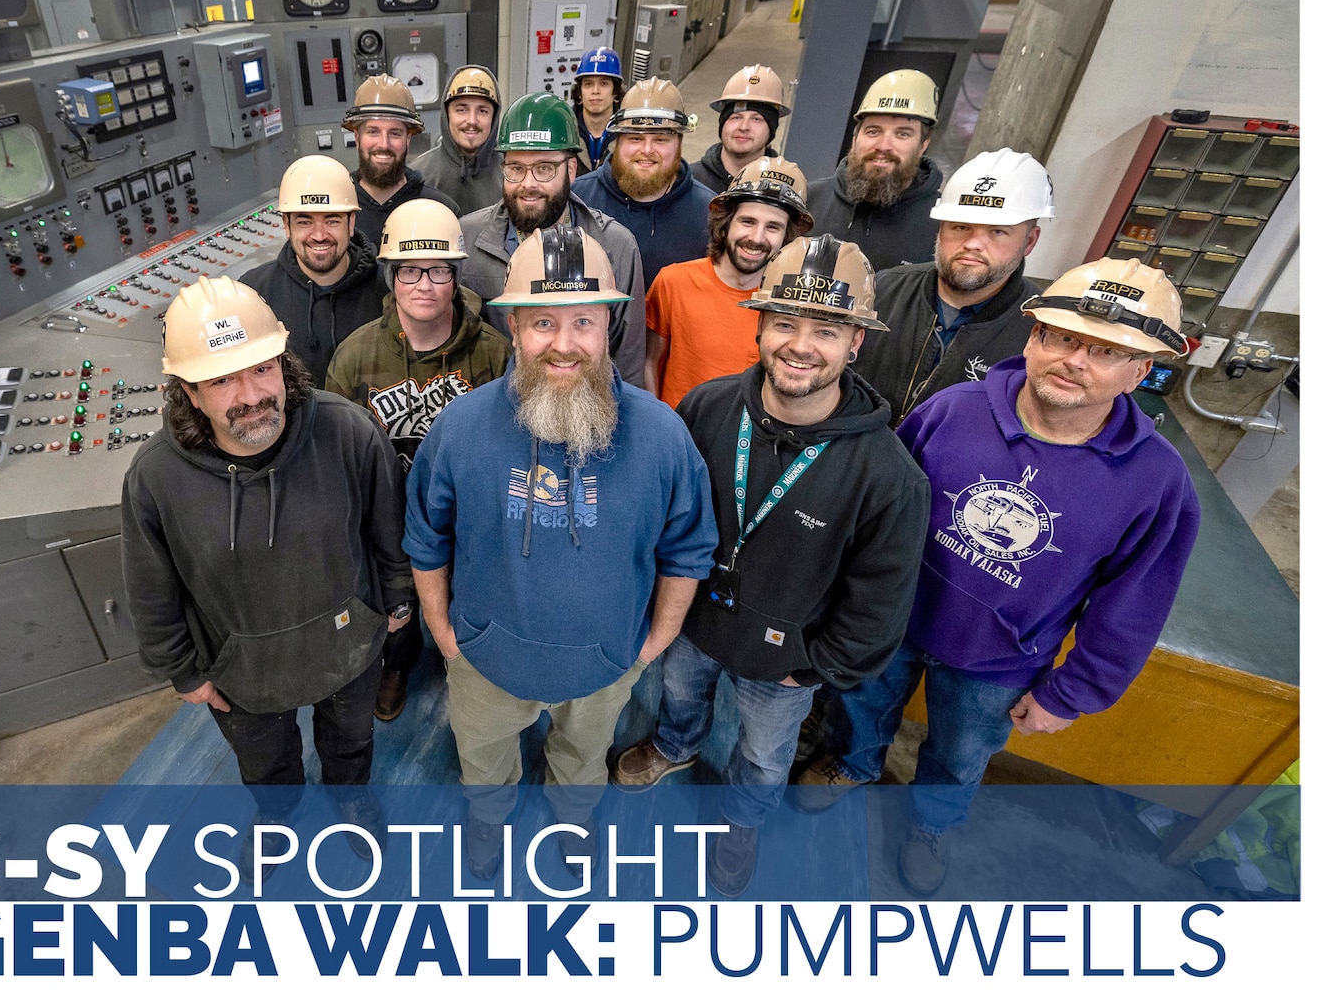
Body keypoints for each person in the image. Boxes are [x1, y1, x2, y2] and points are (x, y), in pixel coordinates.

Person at [799, 258, 1201, 896]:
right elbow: (875, 513)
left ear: (1141, 371)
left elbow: (1133, 606)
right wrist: (842, 605)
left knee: (960, 754)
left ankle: (931, 823)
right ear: (1033, 337)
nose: (1074, 360)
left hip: (1002, 661)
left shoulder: (1155, 482)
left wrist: (1071, 693)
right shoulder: (952, 411)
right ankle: (850, 766)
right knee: (861, 705)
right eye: (1063, 337)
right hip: (893, 624)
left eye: (1105, 351)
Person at [611, 234, 929, 897]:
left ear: (857, 343)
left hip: (786, 664)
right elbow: (667, 515)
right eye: (784, 322)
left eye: (826, 329)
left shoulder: (889, 475)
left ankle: (741, 820)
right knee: (680, 696)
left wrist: (812, 668)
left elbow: (879, 601)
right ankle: (676, 747)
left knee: (761, 752)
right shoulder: (706, 408)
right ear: (760, 326)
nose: (800, 344)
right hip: (694, 624)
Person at [405, 225, 718, 879]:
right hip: (486, 659)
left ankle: (572, 823)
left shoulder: (662, 435)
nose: (564, 344)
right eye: (542, 321)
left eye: (584, 321)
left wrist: (652, 645)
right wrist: (442, 630)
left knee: (583, 757)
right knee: (483, 759)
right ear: (514, 327)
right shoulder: (459, 428)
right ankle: (489, 822)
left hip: (605, 665)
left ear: (611, 327)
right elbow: (426, 536)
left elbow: (689, 549)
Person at [122, 276, 413, 874]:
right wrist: (183, 673)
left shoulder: (348, 431)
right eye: (221, 379)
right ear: (189, 393)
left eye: (260, 369)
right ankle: (278, 815)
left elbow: (390, 534)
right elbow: (152, 589)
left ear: (283, 364)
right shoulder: (155, 478)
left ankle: (349, 795)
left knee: (350, 740)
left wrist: (395, 606)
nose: (250, 395)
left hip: (349, 645)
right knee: (263, 763)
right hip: (241, 671)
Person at [325, 199, 512, 720]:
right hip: (389, 518)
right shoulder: (355, 356)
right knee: (398, 610)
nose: (424, 283)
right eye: (410, 270)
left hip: (469, 517)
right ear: (391, 276)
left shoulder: (494, 354)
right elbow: (338, 458)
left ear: (456, 275)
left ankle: (471, 670)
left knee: (471, 603)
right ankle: (399, 665)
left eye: (438, 270)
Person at [457, 91, 648, 386]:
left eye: (544, 168)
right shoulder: (468, 241)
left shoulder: (614, 246)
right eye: (515, 169)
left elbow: (628, 363)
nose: (528, 184)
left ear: (571, 169)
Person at [854, 149, 1056, 423]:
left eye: (997, 231)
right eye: (960, 227)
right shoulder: (883, 290)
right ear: (941, 229)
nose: (973, 243)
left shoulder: (1043, 329)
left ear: (1029, 242)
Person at [646, 155, 814, 408]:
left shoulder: (790, 306)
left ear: (787, 237)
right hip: (678, 434)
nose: (756, 238)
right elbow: (649, 363)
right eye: (747, 221)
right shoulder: (673, 282)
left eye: (773, 227)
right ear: (725, 223)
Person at [239, 155, 382, 387]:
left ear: (351, 222)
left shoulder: (388, 288)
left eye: (332, 220)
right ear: (286, 225)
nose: (319, 235)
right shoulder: (252, 294)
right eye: (304, 222)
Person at [572, 77, 719, 292]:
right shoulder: (579, 200)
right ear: (618, 141)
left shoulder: (709, 214)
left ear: (679, 144)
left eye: (660, 139)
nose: (647, 150)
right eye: (635, 138)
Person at [806, 69, 945, 271]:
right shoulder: (807, 201)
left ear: (923, 145)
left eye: (902, 134)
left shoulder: (941, 224)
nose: (883, 145)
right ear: (855, 139)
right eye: (873, 131)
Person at [342, 73, 459, 234]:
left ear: (408, 139)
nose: (384, 144)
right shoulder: (337, 209)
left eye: (395, 133)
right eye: (373, 132)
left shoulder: (441, 210)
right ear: (357, 138)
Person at [410, 64, 505, 214]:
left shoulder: (513, 176)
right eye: (461, 110)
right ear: (447, 114)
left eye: (482, 111)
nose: (472, 121)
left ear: (494, 118)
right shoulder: (418, 177)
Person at [691, 64, 793, 192]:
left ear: (771, 130)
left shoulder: (784, 189)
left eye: (756, 119)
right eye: (736, 117)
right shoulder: (689, 182)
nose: (744, 127)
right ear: (722, 125)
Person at [570, 46, 624, 173]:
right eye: (588, 84)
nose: (595, 91)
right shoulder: (563, 129)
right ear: (579, 93)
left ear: (615, 92)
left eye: (604, 83)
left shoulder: (628, 132)